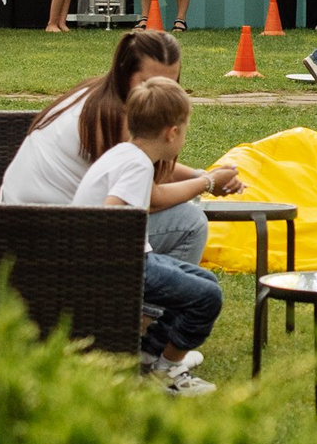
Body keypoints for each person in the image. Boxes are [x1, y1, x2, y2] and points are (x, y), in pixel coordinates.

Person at [0, 27, 236, 260]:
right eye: (149, 81)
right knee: (189, 222)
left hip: (17, 223)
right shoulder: (114, 117)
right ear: (126, 73)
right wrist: (208, 182)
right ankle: (154, 297)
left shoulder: (99, 94)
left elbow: (143, 161)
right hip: (49, 239)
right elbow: (150, 200)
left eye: (171, 83)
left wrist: (198, 174)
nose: (160, 92)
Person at [73, 77, 224, 396]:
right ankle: (165, 374)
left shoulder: (125, 153)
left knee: (206, 281)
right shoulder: (138, 165)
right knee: (207, 298)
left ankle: (152, 353)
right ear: (172, 133)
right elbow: (112, 210)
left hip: (123, 256)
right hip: (119, 262)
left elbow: (149, 198)